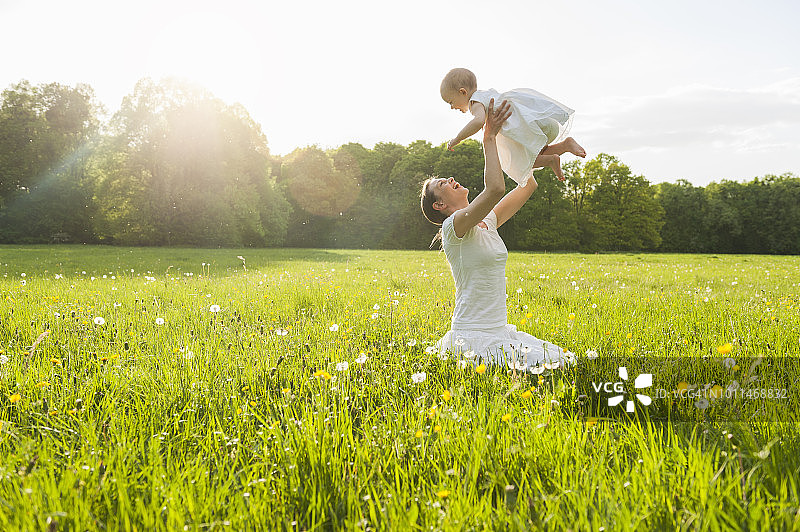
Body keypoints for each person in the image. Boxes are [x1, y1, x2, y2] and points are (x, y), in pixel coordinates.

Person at [420, 98, 574, 369]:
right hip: (472, 336)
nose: (451, 180)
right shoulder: (453, 228)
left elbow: (528, 185)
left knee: (560, 361)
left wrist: (509, 138)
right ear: (439, 205)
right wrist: (487, 138)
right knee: (548, 367)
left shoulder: (487, 222)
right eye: (443, 183)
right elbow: (495, 189)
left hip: (498, 331)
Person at [441, 67, 586, 183]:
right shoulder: (486, 94)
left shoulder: (474, 102)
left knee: (517, 164)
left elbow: (478, 122)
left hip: (525, 129)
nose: (452, 107)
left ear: (462, 92)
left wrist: (457, 139)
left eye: (451, 102)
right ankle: (565, 145)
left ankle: (550, 160)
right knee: (536, 153)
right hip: (539, 122)